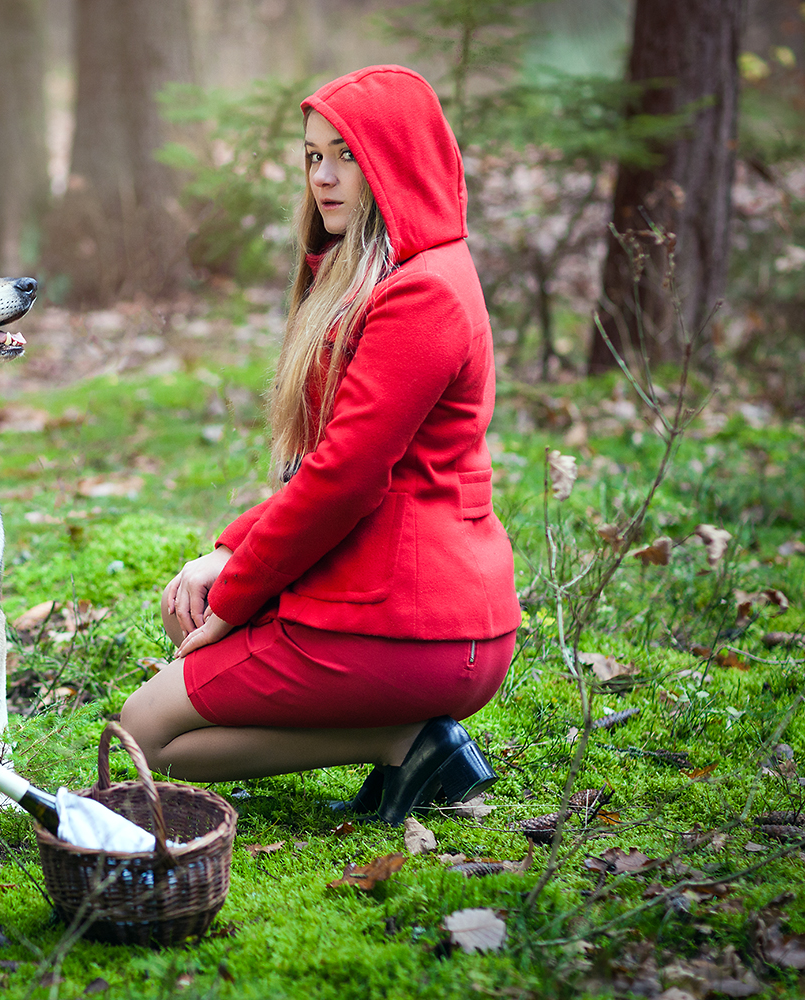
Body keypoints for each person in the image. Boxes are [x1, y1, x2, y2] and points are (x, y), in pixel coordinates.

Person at [120, 65, 521, 826]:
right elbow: (330, 467)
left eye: (347, 155)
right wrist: (231, 550)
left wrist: (235, 597)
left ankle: (403, 738)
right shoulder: (378, 272)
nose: (325, 177)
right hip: (392, 602)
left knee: (142, 741)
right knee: (146, 734)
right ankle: (407, 740)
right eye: (313, 156)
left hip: (415, 619)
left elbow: (344, 478)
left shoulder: (423, 291)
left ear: (394, 161)